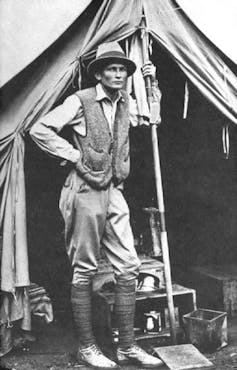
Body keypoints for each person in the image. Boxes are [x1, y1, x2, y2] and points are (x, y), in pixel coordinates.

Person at [30, 41, 163, 368]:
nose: (118, 74)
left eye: (122, 69)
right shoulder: (80, 100)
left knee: (129, 265)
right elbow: (39, 129)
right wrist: (76, 157)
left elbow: (152, 119)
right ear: (99, 74)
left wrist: (153, 84)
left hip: (112, 190)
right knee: (85, 269)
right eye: (112, 69)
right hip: (84, 191)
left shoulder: (124, 103)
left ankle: (127, 346)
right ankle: (87, 348)